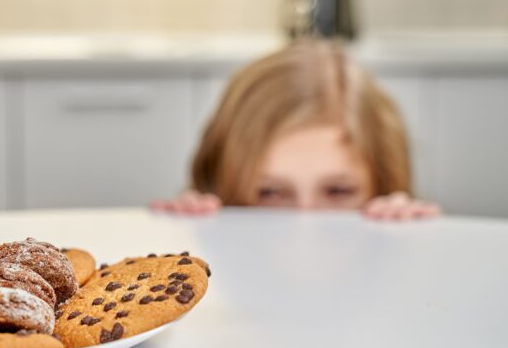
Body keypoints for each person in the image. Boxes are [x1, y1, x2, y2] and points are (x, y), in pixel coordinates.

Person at [150, 39, 440, 220]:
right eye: (270, 193)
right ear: (220, 186)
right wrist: (191, 231)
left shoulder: (395, 241)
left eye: (338, 191)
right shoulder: (209, 223)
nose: (306, 224)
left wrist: (408, 238)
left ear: (384, 185)